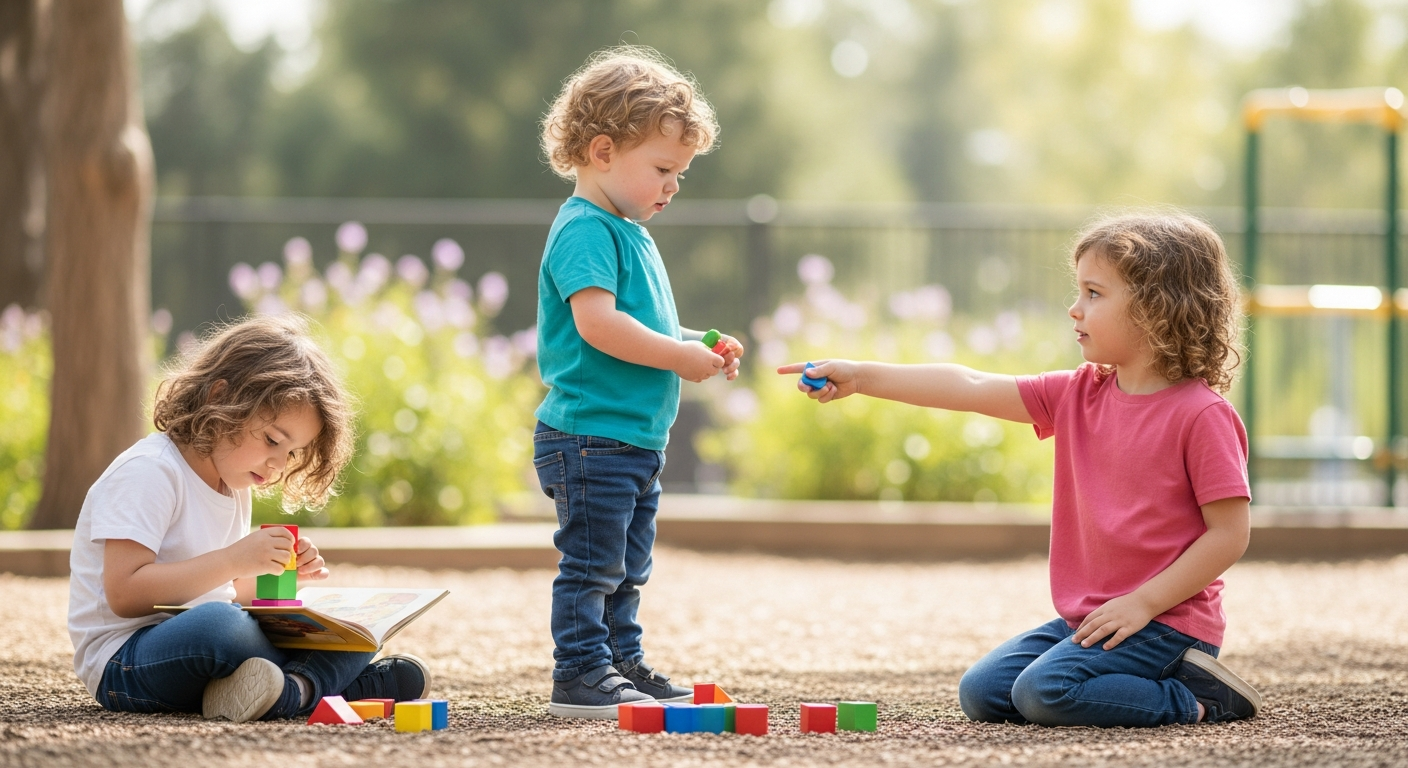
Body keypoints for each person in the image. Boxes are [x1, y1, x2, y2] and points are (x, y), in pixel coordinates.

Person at [781, 212, 1262, 726]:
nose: (1075, 308)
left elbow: (1229, 534)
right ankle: (1130, 684)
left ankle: (1199, 699)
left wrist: (1143, 603)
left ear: (1155, 308)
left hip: (1166, 623)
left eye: (1094, 293)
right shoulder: (1077, 393)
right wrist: (861, 376)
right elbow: (970, 386)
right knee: (982, 693)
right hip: (1089, 619)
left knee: (1043, 693)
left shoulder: (1202, 415)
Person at [68, 315, 430, 723]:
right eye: (273, 440)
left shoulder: (233, 484)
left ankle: (288, 691)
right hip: (126, 661)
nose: (279, 463)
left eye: (291, 453)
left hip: (214, 655)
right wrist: (233, 559)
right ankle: (326, 688)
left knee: (353, 628)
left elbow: (227, 590)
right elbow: (124, 592)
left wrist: (282, 577)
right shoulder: (150, 471)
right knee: (221, 626)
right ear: (220, 399)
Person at [534, 46, 743, 718]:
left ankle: (619, 661)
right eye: (662, 169)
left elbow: (640, 324)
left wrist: (694, 342)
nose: (672, 186)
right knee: (593, 564)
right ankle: (579, 674)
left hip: (628, 439)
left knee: (626, 566)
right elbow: (598, 325)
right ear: (602, 151)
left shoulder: (626, 231)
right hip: (589, 436)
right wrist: (676, 357)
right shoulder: (585, 229)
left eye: (678, 173)